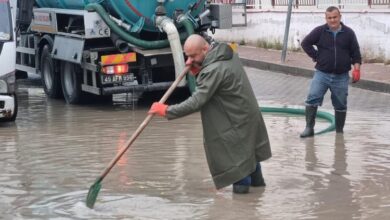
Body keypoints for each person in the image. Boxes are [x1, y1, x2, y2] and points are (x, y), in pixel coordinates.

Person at [149, 34, 272, 194]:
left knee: (238, 167)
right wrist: (197, 68)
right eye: (188, 57)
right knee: (250, 157)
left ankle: (242, 208)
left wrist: (166, 110)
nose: (190, 60)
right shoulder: (228, 55)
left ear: (205, 49)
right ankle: (257, 200)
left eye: (193, 56)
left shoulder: (213, 70)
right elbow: (215, 83)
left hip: (235, 122)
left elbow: (197, 101)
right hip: (247, 117)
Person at [300, 6, 362, 138]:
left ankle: (339, 132)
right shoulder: (320, 31)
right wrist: (317, 56)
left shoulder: (349, 33)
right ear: (326, 18)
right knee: (312, 98)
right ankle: (309, 128)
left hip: (341, 76)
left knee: (340, 103)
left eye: (335, 17)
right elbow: (305, 43)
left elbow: (356, 53)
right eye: (329, 18)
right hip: (322, 74)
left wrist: (357, 69)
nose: (332, 20)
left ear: (340, 17)